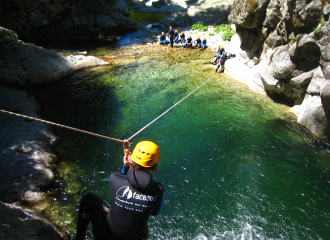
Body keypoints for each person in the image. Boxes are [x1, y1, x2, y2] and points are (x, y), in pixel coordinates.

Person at [75, 141, 164, 240]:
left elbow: (121, 180)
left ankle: (79, 237)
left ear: (133, 158)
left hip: (107, 236)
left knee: (89, 199)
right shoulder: (158, 189)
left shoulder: (114, 179)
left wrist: (125, 166)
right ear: (154, 164)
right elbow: (155, 212)